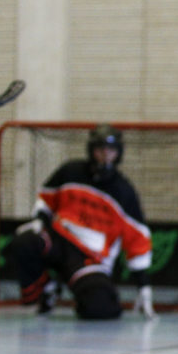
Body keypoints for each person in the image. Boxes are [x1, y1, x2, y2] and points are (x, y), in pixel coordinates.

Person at [11, 124, 155, 319]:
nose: (105, 155)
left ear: (118, 153)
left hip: (90, 257)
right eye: (100, 149)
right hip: (59, 240)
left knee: (99, 308)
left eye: (110, 150)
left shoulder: (124, 192)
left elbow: (138, 239)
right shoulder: (70, 171)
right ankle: (47, 290)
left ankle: (86, 292)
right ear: (91, 150)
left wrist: (143, 285)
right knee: (24, 242)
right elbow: (46, 200)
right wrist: (39, 220)